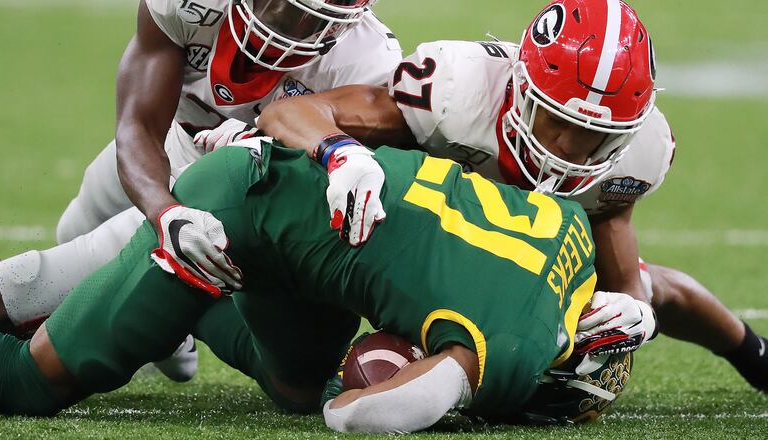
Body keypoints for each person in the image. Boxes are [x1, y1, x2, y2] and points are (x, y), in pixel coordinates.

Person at [254, 0, 767, 390]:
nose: (569, 148)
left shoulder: (643, 151)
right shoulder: (454, 93)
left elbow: (616, 245)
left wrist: (629, 308)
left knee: (639, 303)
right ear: (520, 86)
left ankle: (754, 355)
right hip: (423, 235)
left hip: (517, 251)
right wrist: (341, 153)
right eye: (557, 121)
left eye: (597, 138)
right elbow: (287, 114)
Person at [0, 140, 641, 433]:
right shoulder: (519, 349)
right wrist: (442, 405)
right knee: (27, 385)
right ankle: (133, 255)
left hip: (303, 225)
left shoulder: (573, 234)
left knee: (299, 386)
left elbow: (646, 285)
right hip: (233, 216)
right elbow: (362, 416)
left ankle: (157, 293)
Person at [0, 0, 401, 380]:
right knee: (74, 226)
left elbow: (339, 187)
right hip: (172, 140)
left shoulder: (366, 61)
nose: (297, 27)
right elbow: (139, 124)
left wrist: (263, 147)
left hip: (247, 193)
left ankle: (175, 317)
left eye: (319, 17)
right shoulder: (188, 5)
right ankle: (168, 328)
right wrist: (165, 213)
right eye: (286, 6)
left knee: (24, 287)